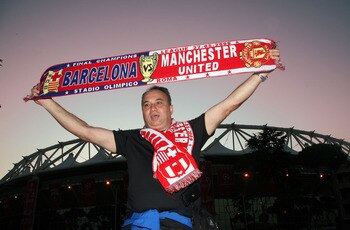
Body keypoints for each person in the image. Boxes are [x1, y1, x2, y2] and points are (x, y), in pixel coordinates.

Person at [29, 49, 281, 229]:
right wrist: (46, 102)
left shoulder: (191, 131)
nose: (153, 109)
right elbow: (84, 131)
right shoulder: (132, 140)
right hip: (136, 224)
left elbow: (229, 105)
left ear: (171, 109)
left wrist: (260, 74)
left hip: (179, 223)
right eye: (147, 104)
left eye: (159, 103)